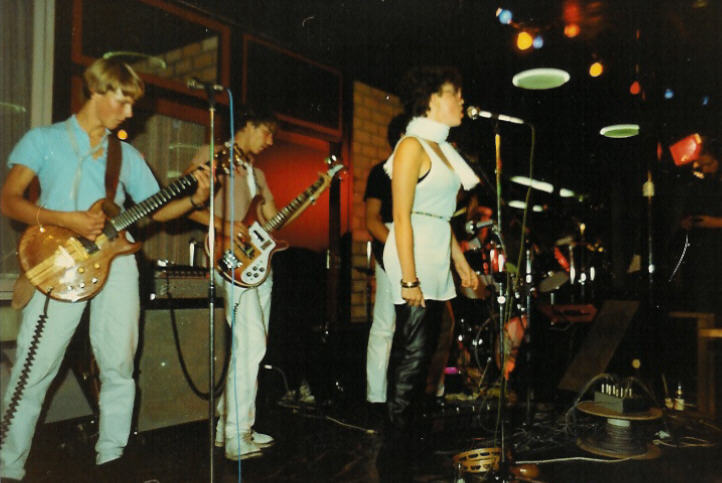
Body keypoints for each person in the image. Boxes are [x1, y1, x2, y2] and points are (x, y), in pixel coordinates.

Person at [0, 58, 211, 481]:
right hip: (59, 262)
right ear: (97, 90)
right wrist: (67, 219)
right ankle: (8, 466)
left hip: (117, 262)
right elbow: (9, 200)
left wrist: (194, 198)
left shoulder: (125, 154)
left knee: (119, 365)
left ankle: (112, 459)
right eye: (123, 101)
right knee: (34, 369)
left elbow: (156, 209)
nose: (130, 113)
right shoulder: (44, 140)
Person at [381, 66, 479, 440]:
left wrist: (461, 261)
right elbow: (402, 216)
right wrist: (409, 278)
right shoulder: (412, 146)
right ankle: (395, 445)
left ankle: (409, 434)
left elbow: (438, 215)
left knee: (426, 352)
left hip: (435, 251)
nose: (462, 101)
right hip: (413, 254)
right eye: (456, 94)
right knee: (413, 353)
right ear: (434, 99)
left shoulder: (443, 149)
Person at [186, 105, 280, 461]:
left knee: (250, 345)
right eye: (266, 132)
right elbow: (187, 204)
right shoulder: (211, 155)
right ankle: (236, 433)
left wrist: (304, 199)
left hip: (257, 264)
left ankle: (230, 425)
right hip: (227, 259)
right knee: (251, 342)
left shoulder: (256, 173)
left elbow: (270, 219)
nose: (270, 142)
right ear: (248, 125)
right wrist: (225, 226)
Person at [364, 114, 406, 413]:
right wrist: (398, 249)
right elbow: (371, 220)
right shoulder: (381, 172)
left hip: (415, 248)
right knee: (384, 324)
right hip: (392, 248)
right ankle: (376, 398)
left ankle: (424, 392)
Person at [678, 137, 722, 315]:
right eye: (701, 165)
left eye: (709, 164)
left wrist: (715, 223)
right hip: (703, 253)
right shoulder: (701, 184)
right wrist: (686, 222)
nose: (705, 169)